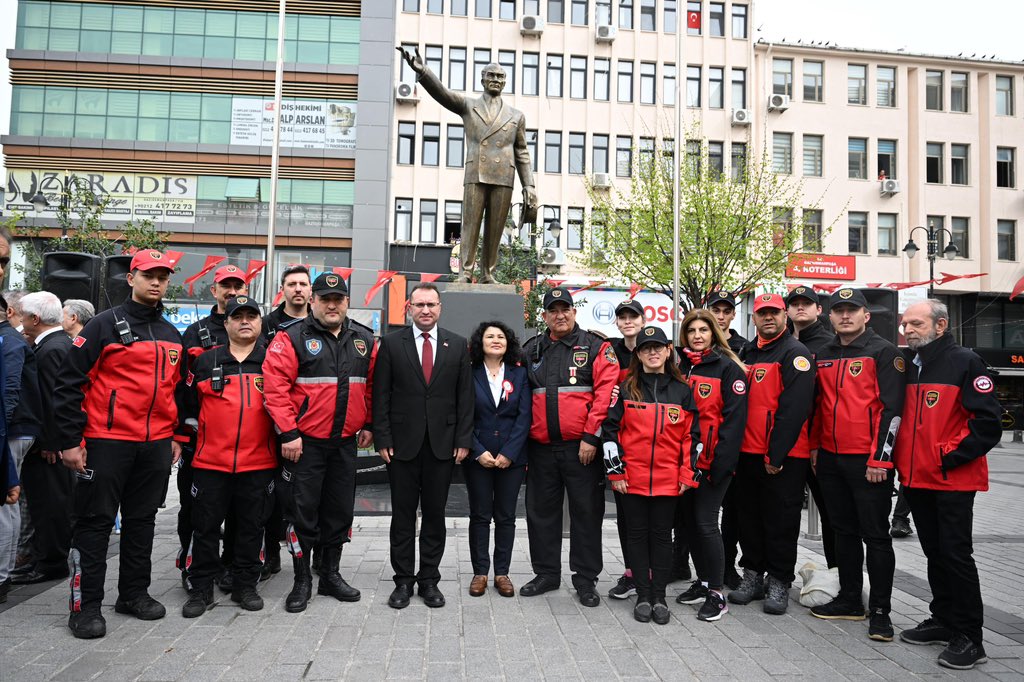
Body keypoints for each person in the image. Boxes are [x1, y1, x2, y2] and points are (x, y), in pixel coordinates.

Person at [54, 249, 184, 639]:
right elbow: (68, 384)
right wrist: (71, 440)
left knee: (142, 523)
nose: (157, 282)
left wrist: (175, 435)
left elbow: (176, 392)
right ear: (131, 279)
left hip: (156, 446)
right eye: (149, 275)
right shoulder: (103, 326)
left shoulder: (170, 333)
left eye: (163, 276)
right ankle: (85, 606)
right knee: (94, 525)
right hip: (106, 442)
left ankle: (133, 593)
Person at [894, 300, 1001, 670]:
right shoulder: (909, 364)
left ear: (940, 326)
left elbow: (988, 423)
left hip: (951, 479)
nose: (907, 329)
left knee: (955, 556)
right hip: (917, 479)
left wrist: (945, 456)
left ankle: (970, 637)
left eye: (916, 323)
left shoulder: (965, 361)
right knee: (935, 553)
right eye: (904, 324)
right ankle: (943, 619)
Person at [263, 273, 375, 613]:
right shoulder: (291, 338)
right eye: (325, 298)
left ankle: (330, 575)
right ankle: (302, 580)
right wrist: (289, 432)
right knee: (302, 514)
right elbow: (275, 388)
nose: (331, 304)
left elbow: (370, 386)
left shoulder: (364, 339)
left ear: (346, 302)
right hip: (305, 444)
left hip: (344, 444)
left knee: (339, 512)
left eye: (338, 299)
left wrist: (368, 422)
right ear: (312, 301)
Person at [809, 288, 906, 642]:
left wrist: (881, 458)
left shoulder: (885, 353)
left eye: (852, 310)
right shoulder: (822, 354)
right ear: (829, 316)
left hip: (869, 462)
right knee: (844, 533)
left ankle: (881, 611)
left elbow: (892, 411)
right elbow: (817, 407)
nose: (845, 316)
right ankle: (851, 599)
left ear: (866, 315)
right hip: (831, 459)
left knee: (876, 537)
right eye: (838, 311)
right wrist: (817, 447)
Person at [398, 47, 538, 284]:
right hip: (476, 172)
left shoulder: (516, 115)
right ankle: (465, 272)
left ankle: (488, 273)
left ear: (505, 82)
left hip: (504, 176)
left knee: (495, 230)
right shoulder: (468, 105)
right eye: (491, 76)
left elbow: (522, 152)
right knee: (470, 225)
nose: (496, 80)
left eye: (500, 77)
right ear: (482, 79)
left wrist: (530, 186)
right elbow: (443, 94)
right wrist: (424, 72)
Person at [373, 283, 473, 609]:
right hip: (401, 446)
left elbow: (464, 398)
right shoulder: (390, 344)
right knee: (402, 516)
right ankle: (403, 581)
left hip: (442, 446)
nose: (425, 310)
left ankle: (429, 580)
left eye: (431, 304)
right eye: (419, 304)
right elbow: (381, 395)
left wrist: (462, 440)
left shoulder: (457, 346)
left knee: (434, 515)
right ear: (409, 308)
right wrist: (382, 438)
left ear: (440, 308)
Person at [520, 286, 618, 607]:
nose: (560, 315)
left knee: (586, 514)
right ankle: (547, 573)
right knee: (540, 513)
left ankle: (586, 580)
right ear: (545, 315)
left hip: (582, 449)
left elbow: (605, 394)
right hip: (541, 449)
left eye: (565, 309)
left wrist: (591, 437)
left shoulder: (595, 347)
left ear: (574, 312)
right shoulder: (532, 350)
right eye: (553, 310)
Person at [180, 296, 277, 617]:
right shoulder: (206, 362)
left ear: (261, 324)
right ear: (227, 323)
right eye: (238, 317)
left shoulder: (272, 362)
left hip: (258, 464)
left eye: (252, 316)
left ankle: (244, 586)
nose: (245, 321)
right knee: (204, 529)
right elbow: (188, 409)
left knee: (251, 528)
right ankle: (201, 589)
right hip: (210, 464)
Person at [603, 325, 701, 624]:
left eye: (658, 347)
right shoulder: (626, 387)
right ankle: (643, 595)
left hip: (668, 481)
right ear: (639, 353)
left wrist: (688, 475)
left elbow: (692, 438)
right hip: (630, 479)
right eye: (647, 347)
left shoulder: (682, 390)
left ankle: (659, 597)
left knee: (661, 538)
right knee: (635, 536)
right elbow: (610, 432)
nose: (653, 352)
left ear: (668, 351)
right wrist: (615, 472)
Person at [729, 293, 815, 616]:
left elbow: (794, 410)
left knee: (781, 521)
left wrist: (775, 455)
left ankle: (779, 580)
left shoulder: (796, 354)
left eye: (774, 312)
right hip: (746, 452)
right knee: (749, 518)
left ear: (785, 315)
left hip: (783, 456)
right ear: (753, 318)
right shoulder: (746, 352)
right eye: (762, 313)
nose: (768, 318)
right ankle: (752, 575)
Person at [175, 264, 248, 593]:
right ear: (214, 290)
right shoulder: (195, 333)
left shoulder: (254, 329)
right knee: (196, 511)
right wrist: (180, 433)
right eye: (226, 286)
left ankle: (233, 567)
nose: (232, 291)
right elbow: (181, 388)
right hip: (201, 442)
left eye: (238, 285)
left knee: (239, 509)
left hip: (244, 445)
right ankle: (193, 567)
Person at [675, 309, 748, 622]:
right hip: (683, 463)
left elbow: (734, 422)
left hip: (712, 463)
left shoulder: (728, 368)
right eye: (691, 331)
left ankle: (717, 594)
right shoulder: (679, 366)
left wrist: (721, 464)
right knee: (689, 525)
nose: (697, 335)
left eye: (703, 330)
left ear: (713, 333)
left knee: (706, 524)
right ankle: (703, 582)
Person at [465, 321, 530, 598]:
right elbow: (462, 415)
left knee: (505, 517)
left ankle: (502, 573)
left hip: (510, 459)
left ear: (508, 343)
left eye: (501, 336)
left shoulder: (519, 374)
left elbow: (524, 416)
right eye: (489, 336)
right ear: (480, 342)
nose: (495, 340)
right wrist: (478, 451)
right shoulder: (469, 373)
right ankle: (480, 572)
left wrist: (509, 453)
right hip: (478, 456)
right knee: (480, 516)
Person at [12, 292, 74, 586]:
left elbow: (54, 401)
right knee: (42, 503)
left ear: (34, 319)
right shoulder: (53, 344)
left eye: (22, 315)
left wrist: (51, 442)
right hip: (49, 444)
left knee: (50, 504)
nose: (20, 321)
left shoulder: (52, 349)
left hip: (50, 448)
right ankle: (42, 559)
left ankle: (51, 563)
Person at [786, 285, 836, 569]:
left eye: (808, 303)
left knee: (832, 515)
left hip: (821, 446)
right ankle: (779, 575)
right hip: (788, 445)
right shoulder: (779, 344)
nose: (800, 307)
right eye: (795, 303)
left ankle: (837, 576)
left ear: (819, 310)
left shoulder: (832, 345)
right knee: (785, 513)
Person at [605, 299, 647, 600]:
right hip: (621, 444)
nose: (628, 321)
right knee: (625, 514)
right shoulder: (610, 351)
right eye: (623, 317)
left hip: (654, 445)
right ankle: (632, 572)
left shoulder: (655, 347)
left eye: (633, 316)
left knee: (656, 517)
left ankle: (656, 570)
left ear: (643, 320)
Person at [705, 290, 745, 589]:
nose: (720, 315)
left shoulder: (741, 352)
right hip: (695, 458)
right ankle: (704, 578)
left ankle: (720, 577)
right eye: (714, 310)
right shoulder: (689, 358)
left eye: (725, 310)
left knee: (724, 518)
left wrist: (724, 458)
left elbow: (734, 417)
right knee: (697, 522)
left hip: (724, 454)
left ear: (733, 314)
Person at [0, 294, 40, 580]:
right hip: (14, 428)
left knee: (5, 501)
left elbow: (10, 390)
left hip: (13, 430)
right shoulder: (13, 341)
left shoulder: (9, 342)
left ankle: (3, 574)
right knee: (8, 500)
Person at [262, 265, 312, 341]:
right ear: (282, 290)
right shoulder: (266, 324)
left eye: (303, 284)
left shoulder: (321, 322)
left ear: (310, 290)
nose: (298, 289)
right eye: (292, 284)